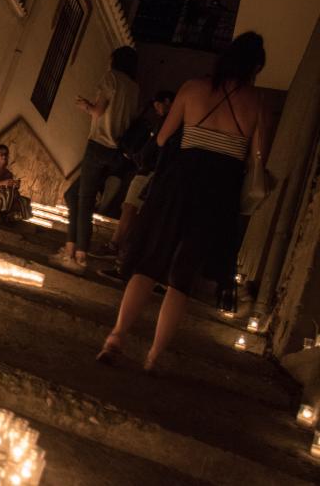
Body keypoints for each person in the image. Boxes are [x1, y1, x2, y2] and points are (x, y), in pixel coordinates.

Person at [97, 32, 268, 373]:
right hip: (218, 194)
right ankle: (154, 357)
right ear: (254, 67)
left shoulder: (192, 88)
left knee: (148, 263)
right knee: (181, 278)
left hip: (178, 185)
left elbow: (161, 138)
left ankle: (116, 337)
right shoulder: (258, 106)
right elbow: (258, 160)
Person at [54, 47, 140, 271]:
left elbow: (98, 111)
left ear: (115, 61)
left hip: (99, 145)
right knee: (72, 194)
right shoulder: (134, 88)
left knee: (84, 200)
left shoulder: (111, 77)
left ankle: (80, 255)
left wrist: (85, 106)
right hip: (116, 152)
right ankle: (71, 247)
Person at [92, 90, 175, 268]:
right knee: (131, 207)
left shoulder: (170, 122)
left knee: (130, 207)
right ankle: (121, 248)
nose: (157, 110)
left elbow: (156, 146)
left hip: (149, 170)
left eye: (158, 105)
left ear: (168, 101)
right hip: (151, 169)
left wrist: (140, 157)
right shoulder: (171, 123)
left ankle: (117, 247)